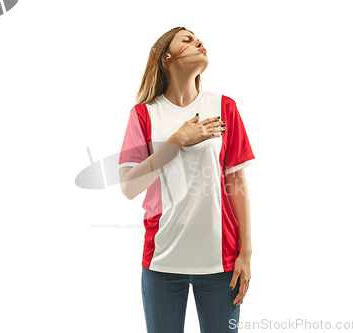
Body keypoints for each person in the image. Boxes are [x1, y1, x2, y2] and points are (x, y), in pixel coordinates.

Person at [118, 26, 256, 333]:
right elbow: (129, 187)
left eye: (198, 39)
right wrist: (177, 141)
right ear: (166, 56)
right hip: (162, 262)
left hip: (222, 264)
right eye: (188, 39)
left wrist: (245, 254)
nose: (199, 42)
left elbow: (237, 185)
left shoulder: (224, 107)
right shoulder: (143, 115)